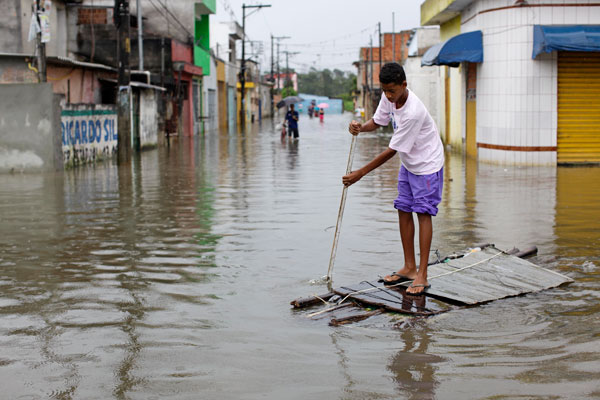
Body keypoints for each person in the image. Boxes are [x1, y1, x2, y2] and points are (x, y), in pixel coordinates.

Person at [342, 63, 444, 295]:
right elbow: (378, 122)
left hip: (427, 164)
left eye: (392, 91)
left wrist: (360, 173)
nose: (388, 95)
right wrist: (361, 127)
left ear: (404, 85)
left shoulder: (413, 112)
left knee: (424, 213)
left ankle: (422, 274)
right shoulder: (388, 97)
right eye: (385, 91)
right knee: (403, 209)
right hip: (410, 162)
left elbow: (391, 150)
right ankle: (409, 267)